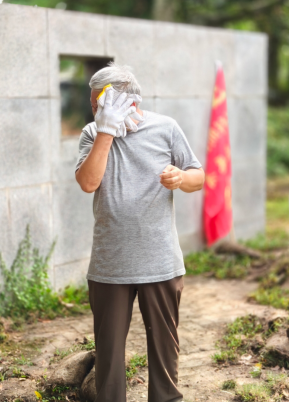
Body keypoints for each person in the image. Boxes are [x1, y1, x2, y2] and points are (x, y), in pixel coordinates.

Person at [75, 63, 205, 402]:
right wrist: (105, 130)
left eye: (97, 103)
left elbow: (198, 176)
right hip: (109, 265)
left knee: (164, 353)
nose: (92, 109)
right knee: (109, 355)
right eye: (94, 106)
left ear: (124, 101)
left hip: (159, 261)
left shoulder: (166, 128)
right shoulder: (92, 133)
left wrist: (180, 177)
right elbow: (88, 182)